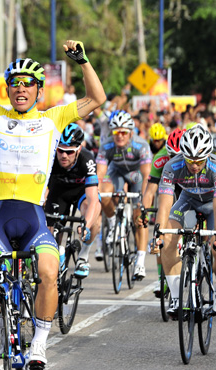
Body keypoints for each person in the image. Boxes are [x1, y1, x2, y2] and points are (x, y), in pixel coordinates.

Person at [0, 32, 106, 368]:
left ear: (38, 89)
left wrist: (82, 61)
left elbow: (97, 98)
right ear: (8, 90)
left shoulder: (53, 119)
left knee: (49, 272)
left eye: (28, 83)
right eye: (14, 83)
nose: (20, 88)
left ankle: (39, 344)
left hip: (33, 215)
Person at [152, 125, 216, 319]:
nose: (194, 165)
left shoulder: (214, 167)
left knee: (215, 247)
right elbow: (164, 203)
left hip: (211, 204)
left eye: (199, 160)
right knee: (167, 242)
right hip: (187, 201)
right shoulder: (172, 166)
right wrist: (159, 233)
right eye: (190, 160)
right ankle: (177, 298)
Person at [96, 110, 152, 280]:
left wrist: (142, 203)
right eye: (116, 132)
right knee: (103, 193)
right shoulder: (106, 145)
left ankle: (140, 262)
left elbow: (146, 178)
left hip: (136, 176)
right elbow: (99, 174)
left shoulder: (141, 145)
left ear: (130, 132)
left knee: (139, 217)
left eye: (123, 132)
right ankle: (113, 223)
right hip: (117, 173)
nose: (119, 136)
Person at [45, 123, 100, 278]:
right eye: (60, 150)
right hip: (59, 191)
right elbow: (42, 190)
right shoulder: (49, 157)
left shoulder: (87, 160)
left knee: (94, 213)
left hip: (80, 191)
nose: (63, 155)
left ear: (78, 150)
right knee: (51, 233)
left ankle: (83, 256)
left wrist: (86, 226)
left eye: (69, 152)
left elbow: (93, 200)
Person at [134, 128, 185, 291]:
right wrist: (144, 211)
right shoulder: (160, 158)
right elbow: (150, 191)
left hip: (189, 187)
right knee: (160, 233)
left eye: (180, 156)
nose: (175, 160)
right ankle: (161, 279)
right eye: (172, 155)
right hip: (168, 188)